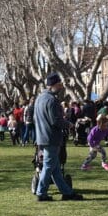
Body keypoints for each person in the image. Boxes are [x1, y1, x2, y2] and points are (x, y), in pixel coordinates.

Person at [33, 72, 83, 202]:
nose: (61, 87)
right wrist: (69, 124)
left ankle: (67, 192)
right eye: (60, 84)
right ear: (54, 85)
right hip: (51, 137)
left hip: (42, 137)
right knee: (49, 166)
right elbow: (55, 120)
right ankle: (41, 192)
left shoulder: (40, 98)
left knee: (55, 168)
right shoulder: (52, 100)